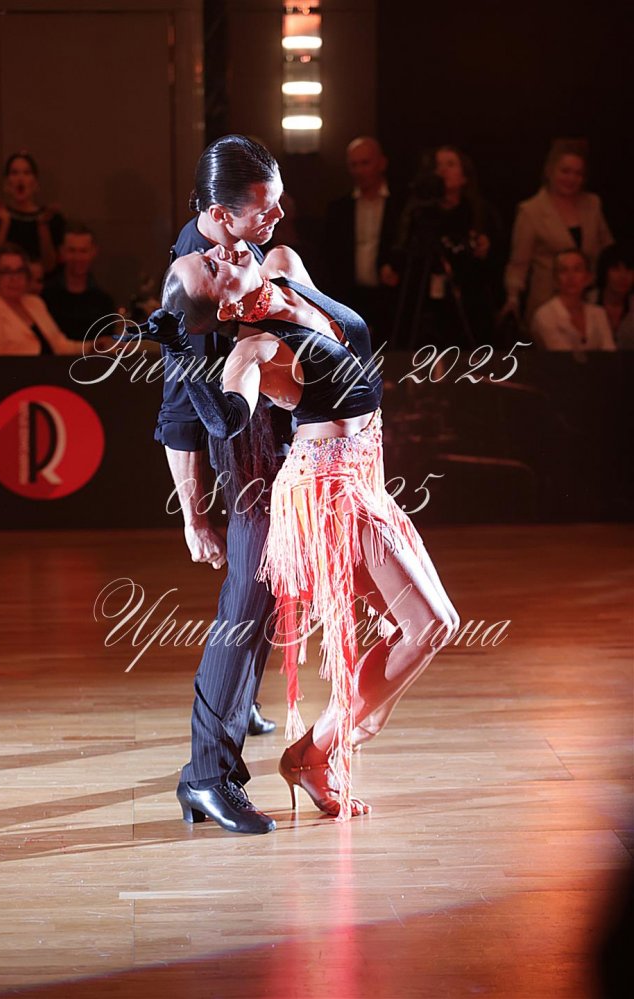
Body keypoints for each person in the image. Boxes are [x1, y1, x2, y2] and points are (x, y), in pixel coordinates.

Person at [140, 241, 459, 824]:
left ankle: (326, 747)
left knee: (418, 626)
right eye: (211, 267)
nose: (222, 252)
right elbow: (226, 420)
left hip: (365, 475)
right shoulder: (253, 349)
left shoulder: (284, 265)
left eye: (212, 252)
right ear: (227, 307)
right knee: (431, 624)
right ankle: (316, 752)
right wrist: (182, 354)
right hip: (326, 492)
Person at [155, 136, 287, 836]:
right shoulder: (192, 277)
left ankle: (237, 705)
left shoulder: (241, 242)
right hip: (245, 456)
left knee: (262, 594)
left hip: (272, 440)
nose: (276, 217)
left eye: (278, 201)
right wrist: (192, 517)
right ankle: (207, 776)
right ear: (218, 214)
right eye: (264, 208)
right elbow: (179, 413)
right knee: (246, 602)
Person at [386, 145, 500, 349]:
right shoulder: (419, 213)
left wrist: (484, 248)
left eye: (450, 164)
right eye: (438, 165)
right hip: (425, 306)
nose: (442, 170)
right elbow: (404, 252)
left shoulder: (479, 213)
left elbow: (495, 262)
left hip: (468, 305)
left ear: (464, 176)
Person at [503, 138, 613, 329]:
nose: (571, 178)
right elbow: (519, 264)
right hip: (547, 305)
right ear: (550, 171)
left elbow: (608, 249)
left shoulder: (593, 204)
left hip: (588, 303)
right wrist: (513, 298)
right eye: (565, 171)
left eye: (578, 173)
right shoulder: (531, 211)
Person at [323, 137, 402, 350]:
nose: (359, 170)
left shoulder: (400, 205)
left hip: (390, 297)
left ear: (381, 163)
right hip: (350, 297)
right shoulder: (339, 209)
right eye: (354, 164)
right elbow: (331, 257)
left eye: (365, 163)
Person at [0, 244, 89, 356]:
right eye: (6, 272)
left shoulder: (35, 303)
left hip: (53, 369)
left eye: (20, 271)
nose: (14, 278)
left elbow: (61, 346)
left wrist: (93, 346)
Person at [0, 152, 65, 275]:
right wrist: (4, 223)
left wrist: (43, 226)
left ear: (35, 183)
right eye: (14, 173)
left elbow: (50, 266)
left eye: (26, 173)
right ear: (6, 184)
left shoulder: (51, 219)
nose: (20, 178)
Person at [530, 249, 615, 351]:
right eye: (563, 270)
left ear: (588, 277)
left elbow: (610, 352)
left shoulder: (598, 313)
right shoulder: (545, 315)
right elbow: (563, 355)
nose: (571, 277)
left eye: (577, 270)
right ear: (555, 279)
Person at [43, 224, 116, 340]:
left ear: (94, 252)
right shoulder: (44, 297)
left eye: (83, 251)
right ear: (62, 252)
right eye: (72, 250)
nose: (77, 258)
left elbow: (105, 344)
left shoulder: (104, 302)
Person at [593, 244, 634, 350]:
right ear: (604, 272)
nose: (623, 276)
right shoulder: (586, 302)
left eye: (629, 270)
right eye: (616, 269)